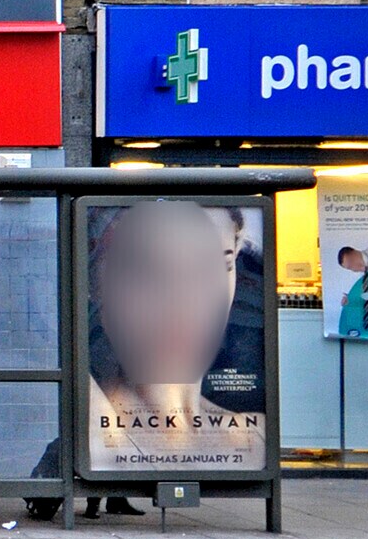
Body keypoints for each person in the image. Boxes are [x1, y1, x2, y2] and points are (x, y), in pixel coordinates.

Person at [87, 200, 265, 472]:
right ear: (94, 283)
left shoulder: (255, 436)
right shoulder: (94, 432)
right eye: (144, 270)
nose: (183, 302)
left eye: (213, 266)